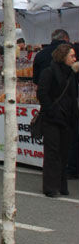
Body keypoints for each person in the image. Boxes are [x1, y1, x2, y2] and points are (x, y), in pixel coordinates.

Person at [36, 43, 79, 198]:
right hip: (52, 119)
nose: (75, 58)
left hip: (67, 119)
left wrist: (74, 116)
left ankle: (61, 185)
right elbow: (42, 93)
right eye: (72, 56)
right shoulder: (49, 72)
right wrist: (52, 111)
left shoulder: (71, 74)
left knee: (63, 153)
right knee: (52, 153)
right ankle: (50, 186)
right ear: (63, 56)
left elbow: (73, 97)